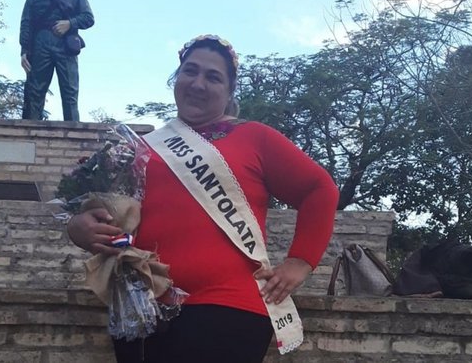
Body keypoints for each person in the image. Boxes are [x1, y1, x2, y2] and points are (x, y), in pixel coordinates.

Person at [67, 34, 339, 363]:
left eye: (213, 77)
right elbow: (123, 231)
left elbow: (320, 190)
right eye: (190, 71)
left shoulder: (254, 137)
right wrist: (81, 228)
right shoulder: (140, 148)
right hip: (145, 306)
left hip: (228, 309)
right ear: (176, 78)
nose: (198, 83)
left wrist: (301, 260)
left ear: (229, 91)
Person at [20, 0, 94, 121]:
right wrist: (24, 49)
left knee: (70, 90)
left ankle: (73, 132)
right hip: (41, 42)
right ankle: (29, 129)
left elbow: (88, 18)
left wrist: (70, 23)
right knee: (35, 90)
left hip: (66, 43)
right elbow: (26, 21)